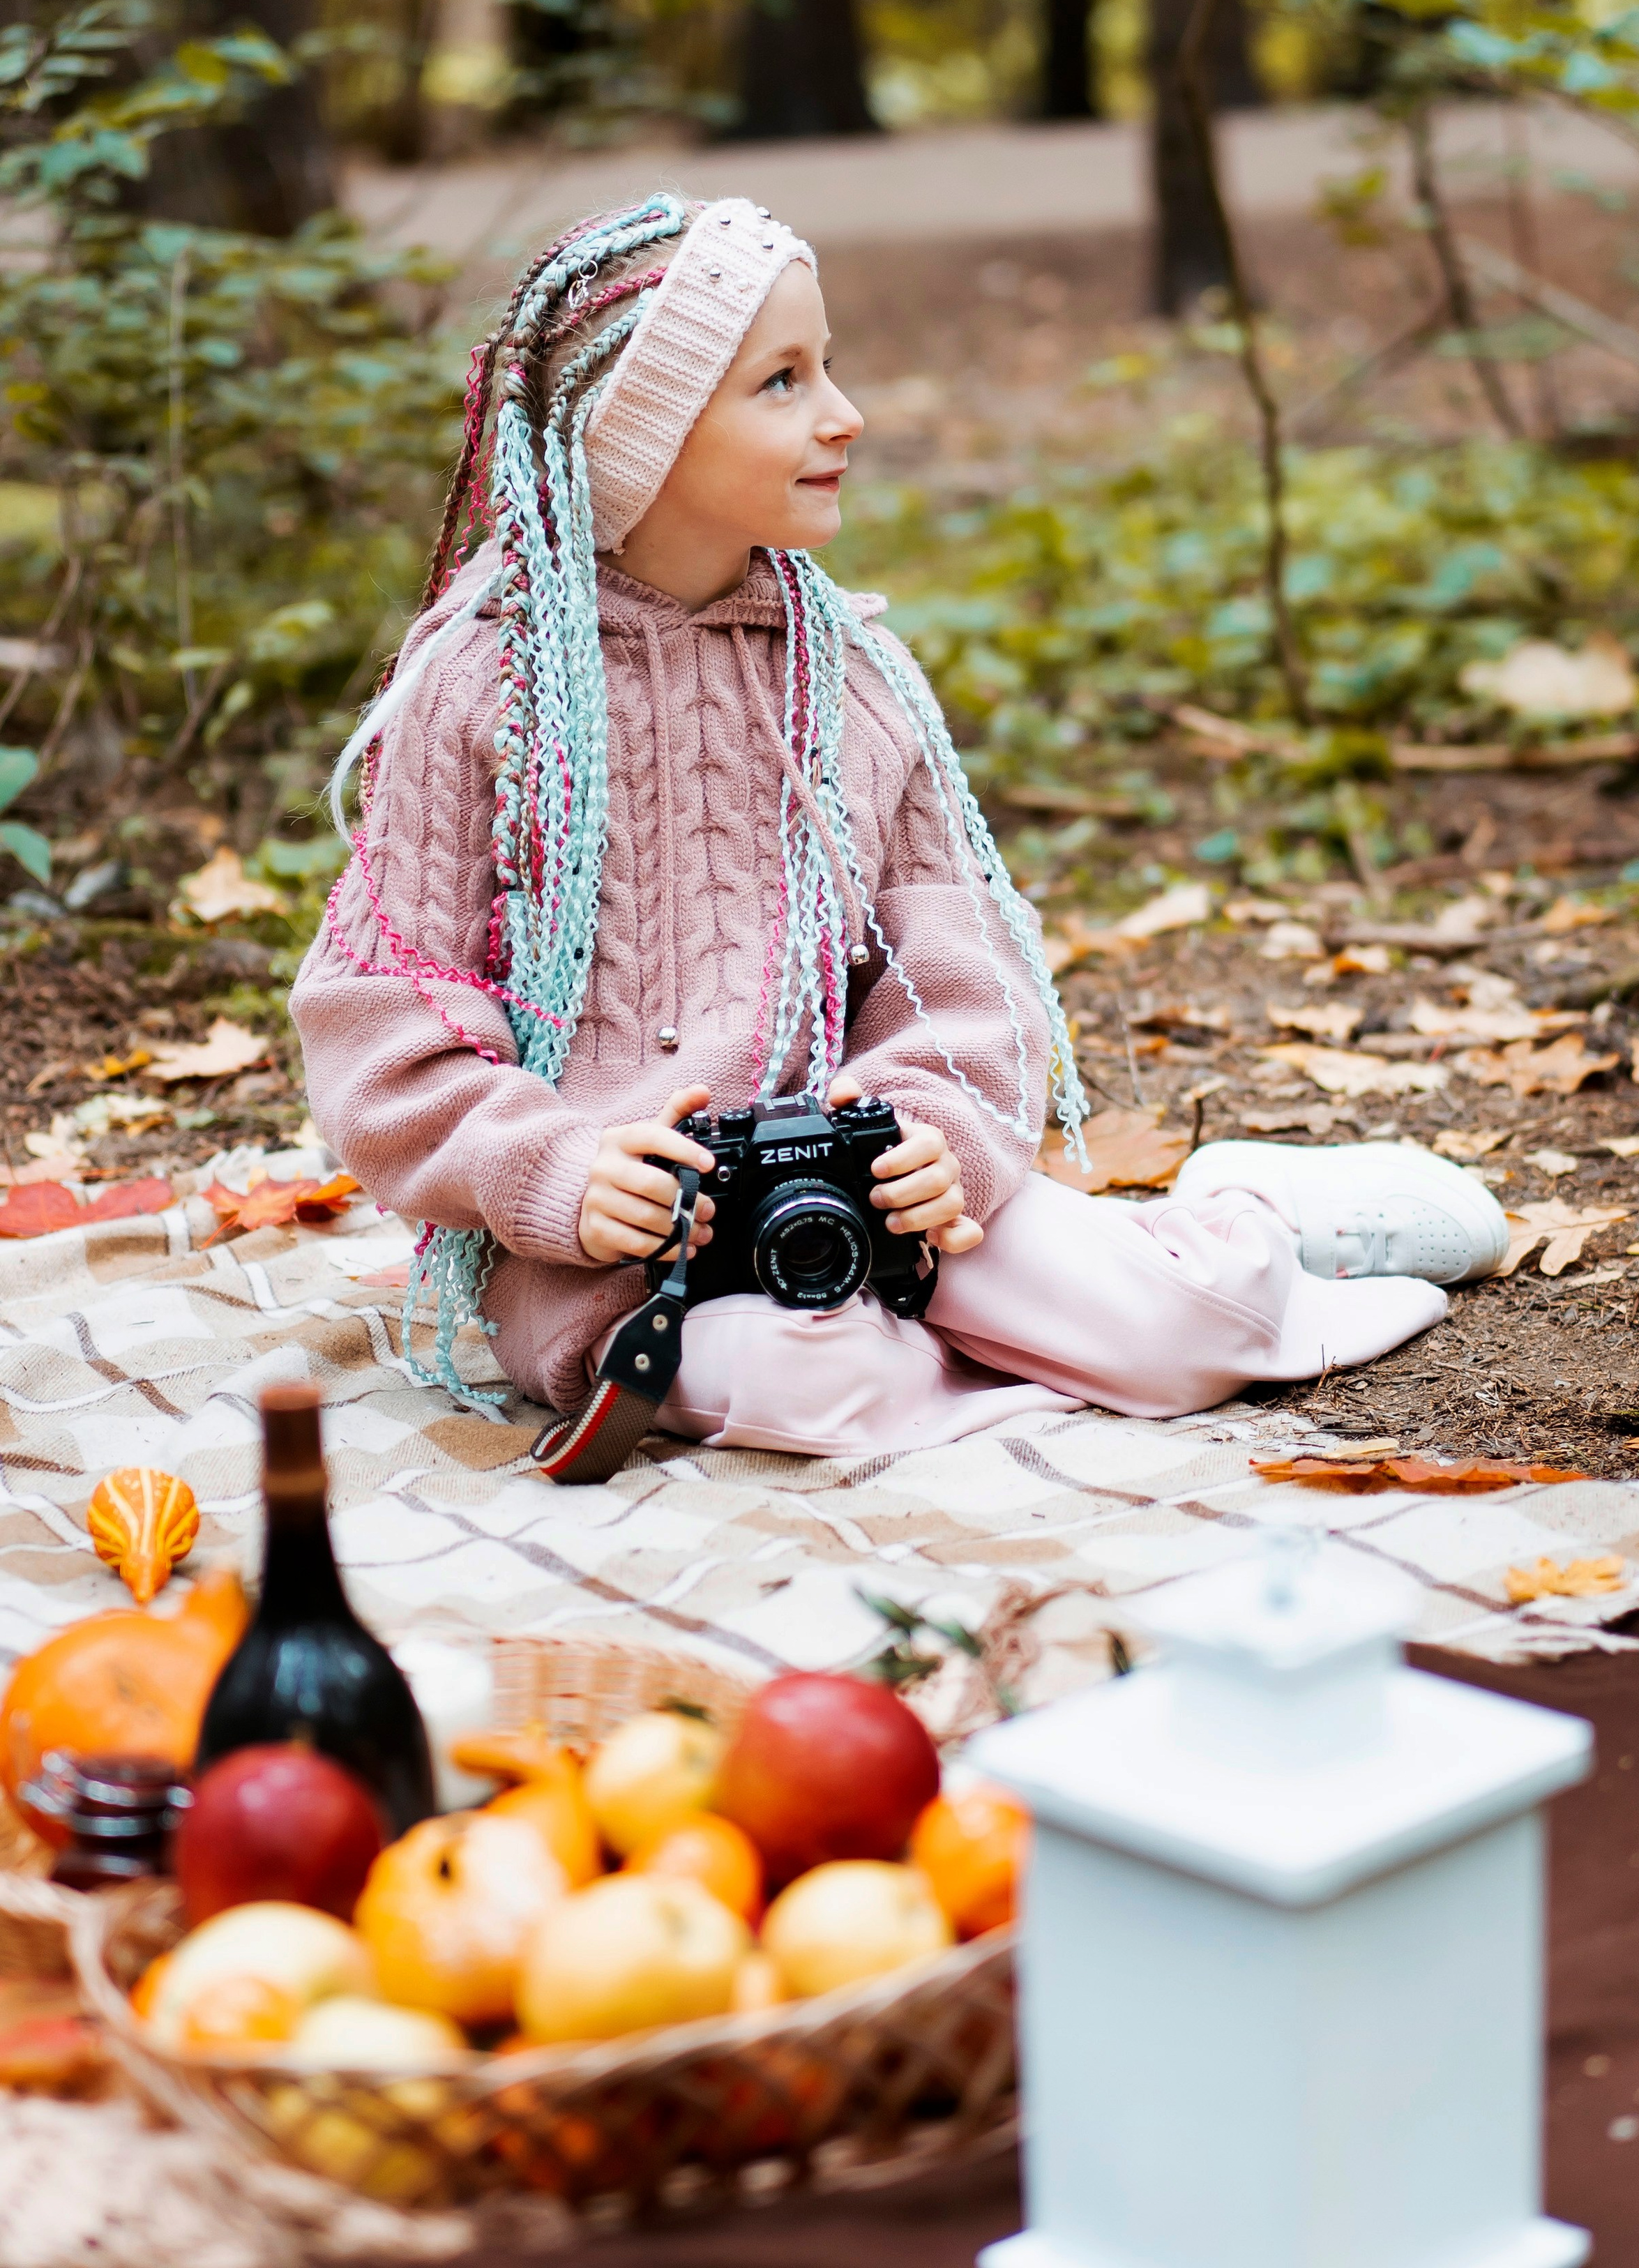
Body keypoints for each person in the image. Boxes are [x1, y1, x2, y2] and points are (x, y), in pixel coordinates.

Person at [292, 192, 1506, 1484]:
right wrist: (552, 1170)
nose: (844, 413)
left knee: (1187, 1335)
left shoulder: (848, 676)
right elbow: (384, 1026)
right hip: (613, 1251)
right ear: (637, 430)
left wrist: (941, 1132)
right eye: (783, 381)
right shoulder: (484, 688)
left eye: (828, 367)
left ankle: (1255, 1224)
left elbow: (957, 961)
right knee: (814, 1388)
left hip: (877, 1189)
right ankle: (1008, 1340)